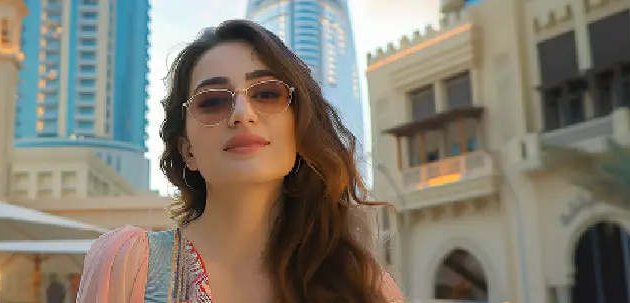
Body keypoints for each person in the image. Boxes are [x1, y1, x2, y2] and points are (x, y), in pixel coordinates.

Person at [77, 19, 404, 303]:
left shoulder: (365, 288)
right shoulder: (130, 264)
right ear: (187, 149)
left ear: (300, 129)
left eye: (266, 94)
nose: (242, 114)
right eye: (214, 101)